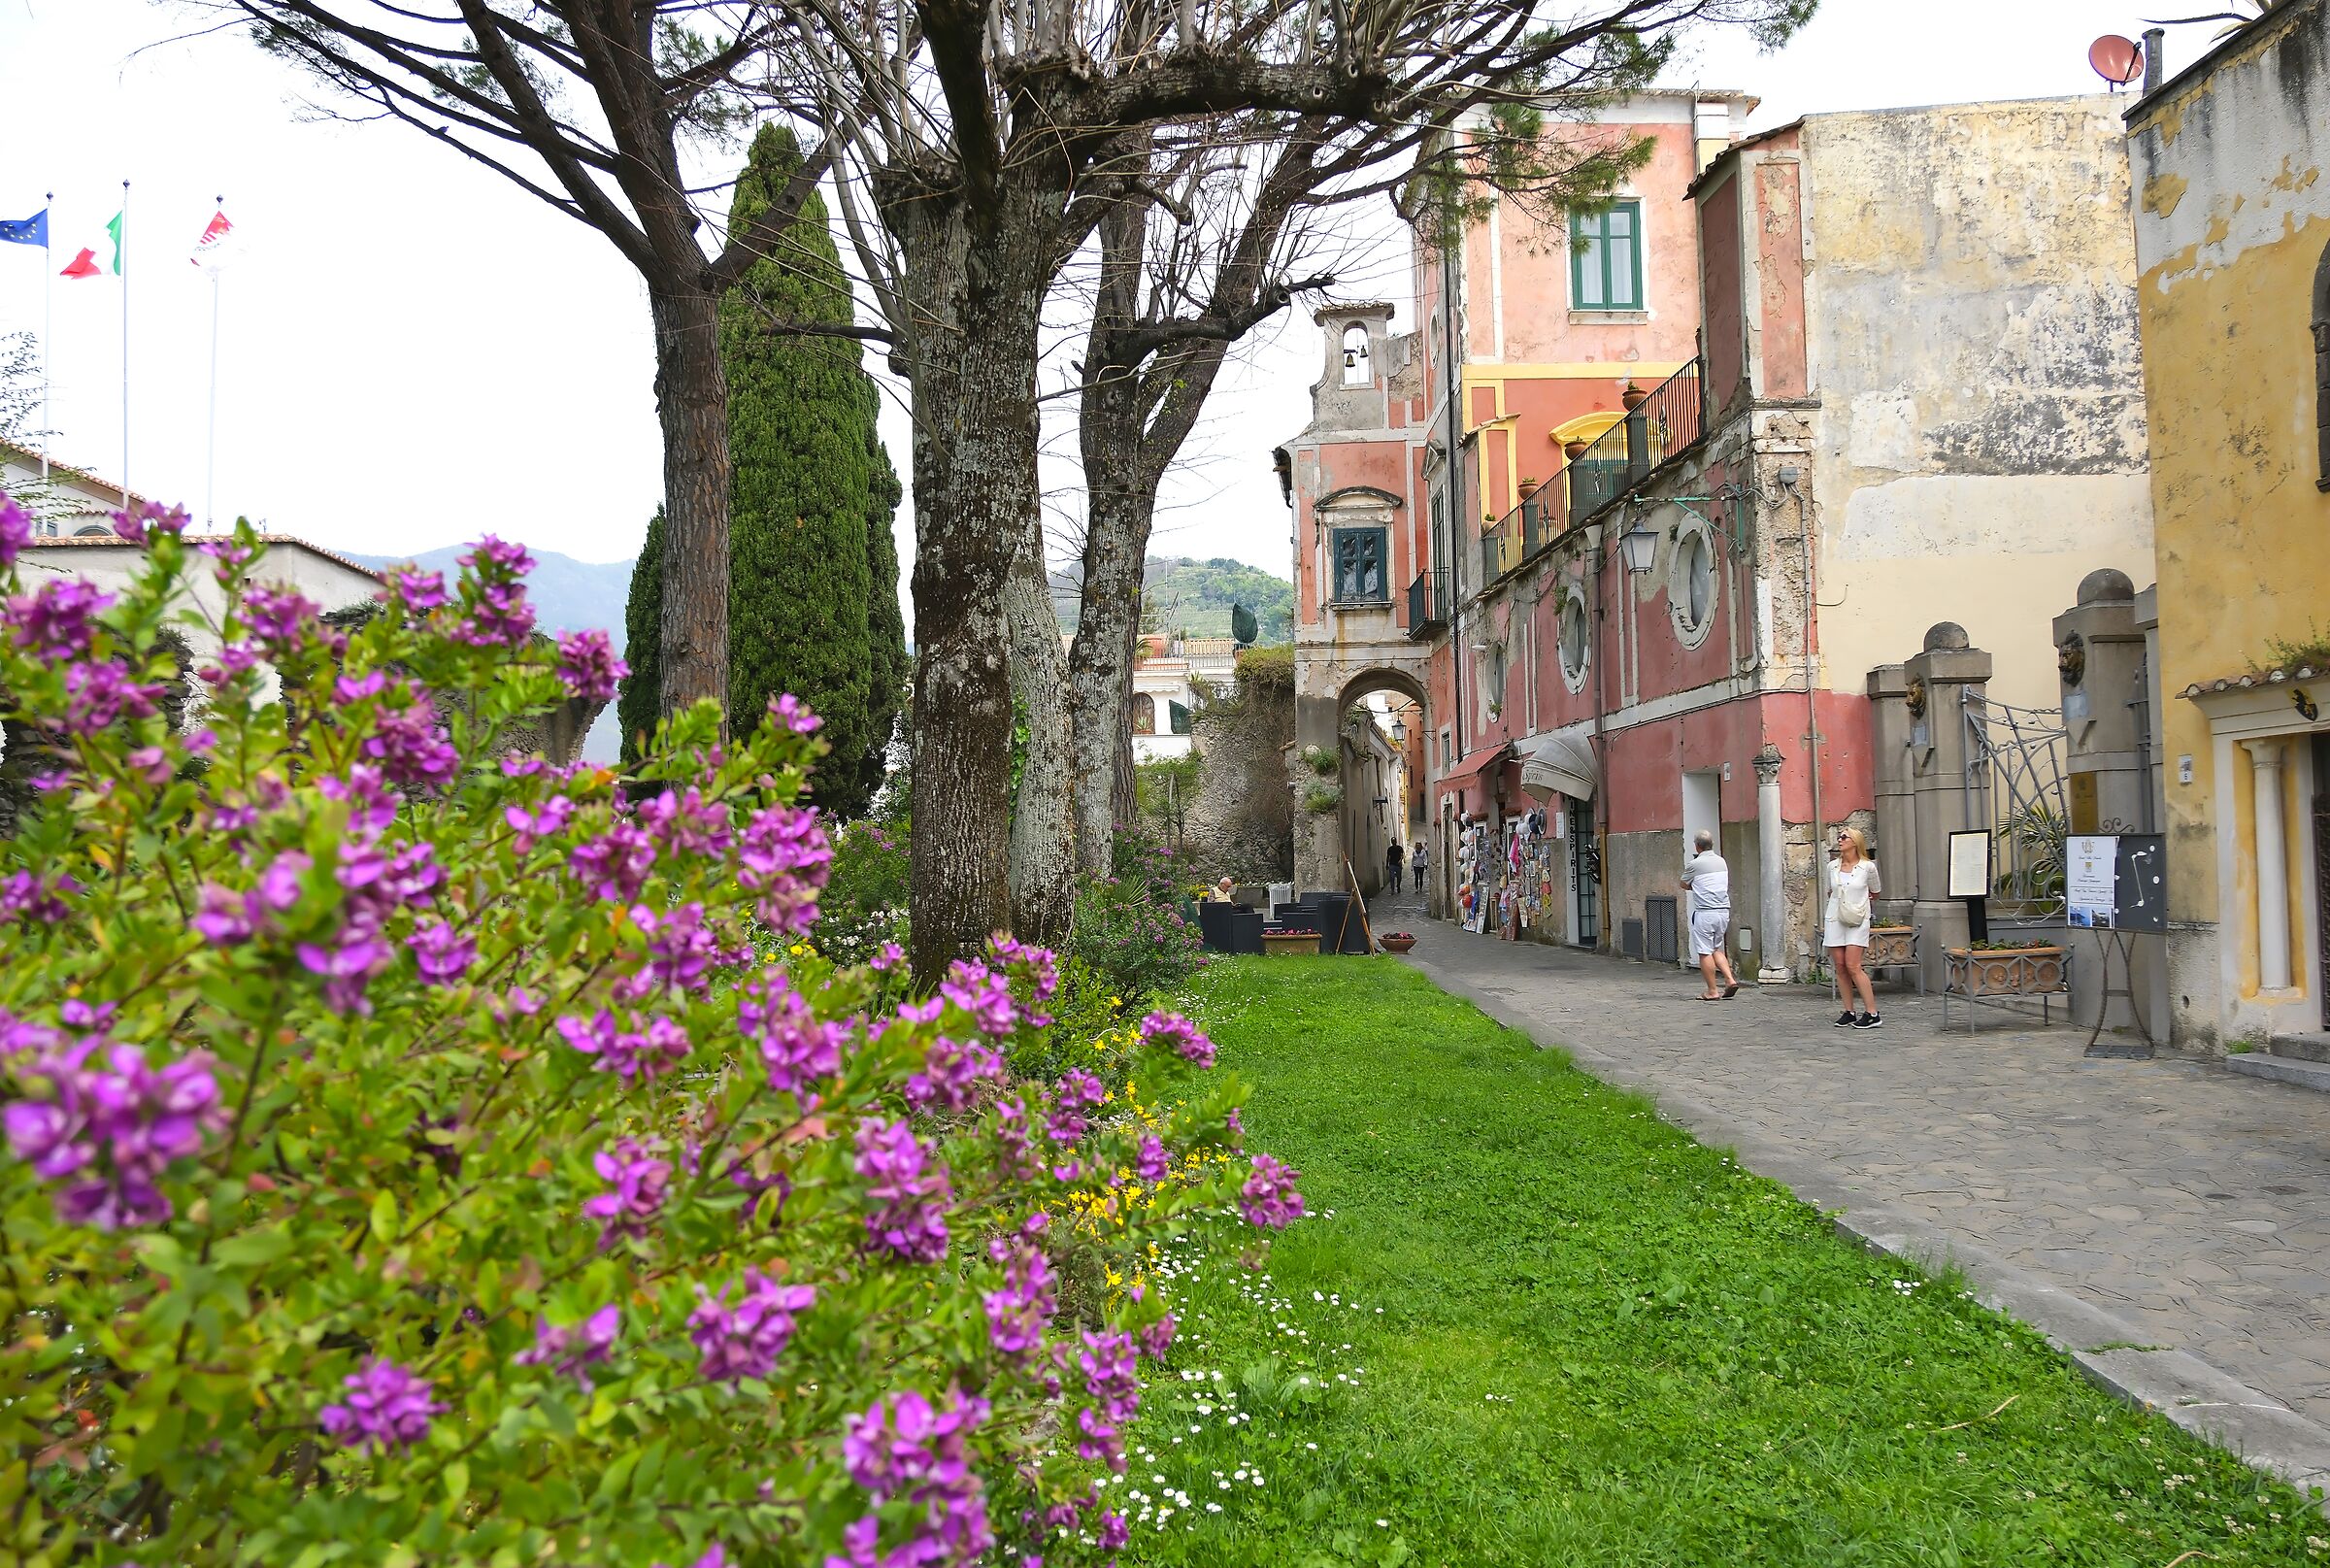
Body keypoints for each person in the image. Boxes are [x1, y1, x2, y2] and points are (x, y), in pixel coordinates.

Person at [1825, 826, 1883, 1029]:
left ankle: (1872, 1012)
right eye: (1839, 837)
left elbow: (1875, 892)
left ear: (1855, 842)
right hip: (1835, 917)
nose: (1840, 840)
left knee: (1853, 965)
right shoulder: (1832, 866)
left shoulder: (1867, 867)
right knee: (1840, 965)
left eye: (1844, 837)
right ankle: (1849, 1010)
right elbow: (1830, 891)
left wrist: (1858, 903)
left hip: (1858, 919)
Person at [1679, 830, 1740, 999]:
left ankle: (1712, 991)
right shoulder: (1722, 862)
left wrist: (1695, 886)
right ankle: (1729, 979)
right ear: (1711, 844)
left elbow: (1683, 884)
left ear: (1697, 846)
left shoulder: (1695, 864)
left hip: (1705, 913)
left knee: (1705, 952)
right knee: (1716, 948)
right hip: (1723, 911)